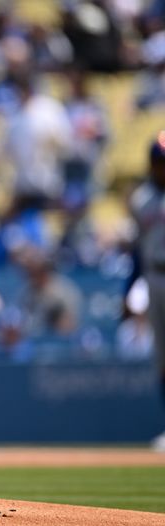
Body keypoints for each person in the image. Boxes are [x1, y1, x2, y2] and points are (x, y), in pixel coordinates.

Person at [128, 132, 165, 451]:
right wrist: (129, 289)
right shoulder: (142, 199)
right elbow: (137, 252)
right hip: (155, 275)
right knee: (162, 357)